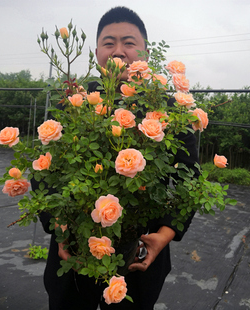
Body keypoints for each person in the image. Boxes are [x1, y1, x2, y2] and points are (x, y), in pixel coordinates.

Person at [35, 6, 200, 310]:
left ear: (146, 52)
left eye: (129, 42)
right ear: (96, 51)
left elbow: (187, 178)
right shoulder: (75, 102)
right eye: (109, 43)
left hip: (140, 252)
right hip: (73, 248)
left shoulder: (171, 112)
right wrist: (59, 228)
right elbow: (43, 174)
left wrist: (163, 236)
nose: (119, 51)